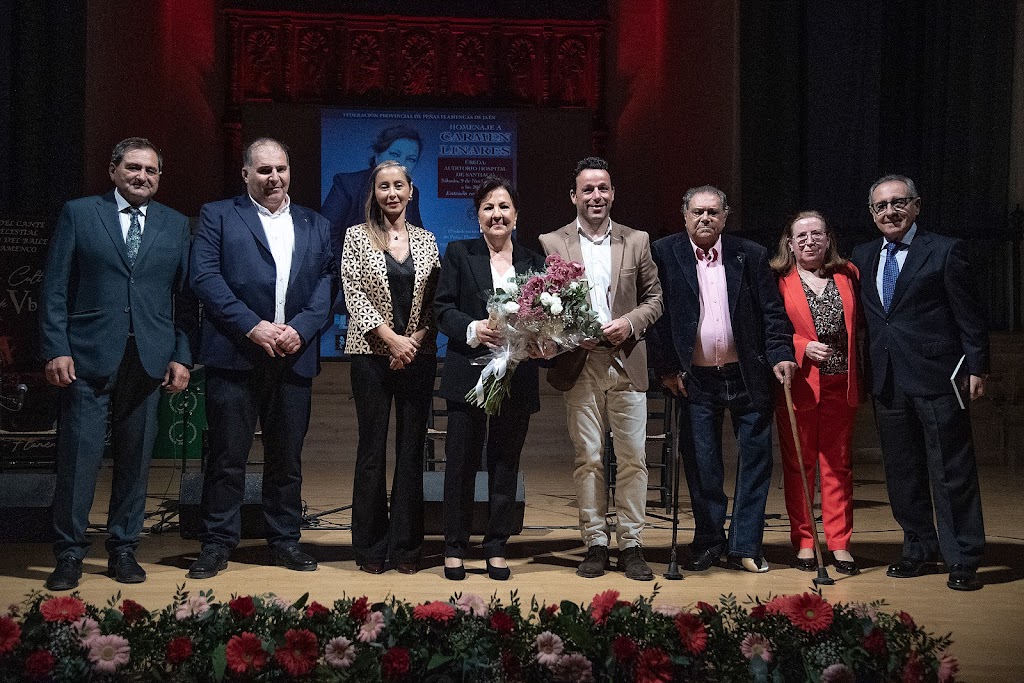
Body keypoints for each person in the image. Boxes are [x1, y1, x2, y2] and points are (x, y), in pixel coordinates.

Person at [39, 137, 192, 590]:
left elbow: (183, 301)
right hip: (86, 357)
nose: (142, 176)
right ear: (113, 170)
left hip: (148, 359)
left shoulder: (176, 224)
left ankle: (124, 550)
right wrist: (56, 347)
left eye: (151, 170)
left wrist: (181, 356)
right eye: (133, 168)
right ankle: (68, 554)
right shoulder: (80, 213)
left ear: (159, 178)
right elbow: (54, 288)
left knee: (135, 462)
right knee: (78, 462)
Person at [187, 138, 335, 579]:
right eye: (265, 170)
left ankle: (285, 540)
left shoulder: (317, 223)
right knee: (227, 458)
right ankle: (217, 543)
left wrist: (302, 329)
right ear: (247, 174)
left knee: (286, 459)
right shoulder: (218, 215)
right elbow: (205, 278)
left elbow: (327, 283)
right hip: (235, 354)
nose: (275, 178)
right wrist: (253, 326)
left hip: (293, 356)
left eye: (282, 170)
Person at [851, 174, 989, 591]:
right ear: (872, 213)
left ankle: (962, 556)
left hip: (937, 378)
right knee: (903, 470)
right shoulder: (863, 255)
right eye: (881, 206)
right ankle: (919, 547)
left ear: (916, 206)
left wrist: (977, 367)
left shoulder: (945, 251)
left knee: (951, 470)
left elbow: (969, 314)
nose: (890, 212)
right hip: (889, 380)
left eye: (898, 203)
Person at [650, 185, 796, 574]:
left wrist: (781, 354)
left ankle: (746, 545)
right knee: (703, 464)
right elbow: (657, 318)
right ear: (684, 216)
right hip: (694, 379)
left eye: (713, 212)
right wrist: (665, 369)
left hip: (747, 374)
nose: (705, 219)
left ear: (725, 216)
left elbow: (772, 313)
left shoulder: (750, 255)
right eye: (697, 212)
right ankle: (710, 541)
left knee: (756, 462)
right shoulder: (665, 253)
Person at [539, 157, 663, 581]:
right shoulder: (552, 242)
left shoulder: (637, 240)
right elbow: (541, 307)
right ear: (574, 196)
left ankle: (631, 544)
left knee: (633, 458)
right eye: (587, 190)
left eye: (603, 188)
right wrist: (573, 334)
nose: (596, 196)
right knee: (588, 457)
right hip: (580, 363)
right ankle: (594, 542)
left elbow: (655, 298)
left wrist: (629, 322)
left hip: (626, 363)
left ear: (613, 193)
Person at [434, 177, 548, 581]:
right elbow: (442, 308)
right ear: (478, 215)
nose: (496, 215)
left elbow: (548, 320)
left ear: (516, 216)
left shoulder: (535, 263)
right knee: (461, 464)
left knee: (504, 464)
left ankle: (496, 546)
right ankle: (454, 546)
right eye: (488, 207)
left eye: (503, 207)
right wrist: (473, 329)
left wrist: (542, 342)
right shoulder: (459, 253)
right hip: (469, 374)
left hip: (517, 377)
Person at [342, 160, 439, 575]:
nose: (392, 193)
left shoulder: (428, 240)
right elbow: (354, 292)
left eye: (399, 185)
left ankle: (406, 549)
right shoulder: (355, 237)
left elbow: (437, 299)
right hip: (370, 356)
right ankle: (369, 549)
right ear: (375, 193)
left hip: (416, 357)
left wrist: (412, 342)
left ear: (411, 191)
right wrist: (391, 339)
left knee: (411, 453)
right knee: (371, 453)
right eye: (384, 187)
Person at [769, 211, 861, 575]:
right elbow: (770, 329)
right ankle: (805, 541)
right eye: (801, 236)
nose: (809, 241)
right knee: (800, 466)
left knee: (838, 466)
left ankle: (840, 543)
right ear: (789, 244)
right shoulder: (779, 280)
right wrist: (800, 345)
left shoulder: (848, 274)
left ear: (828, 239)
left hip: (842, 383)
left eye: (816, 234)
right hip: (800, 385)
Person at [322, 125, 425, 263]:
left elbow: (419, 241)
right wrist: (347, 273)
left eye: (411, 159)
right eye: (395, 154)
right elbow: (326, 235)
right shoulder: (347, 184)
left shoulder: (412, 192)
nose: (401, 163)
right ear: (377, 155)